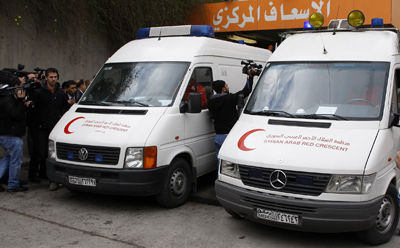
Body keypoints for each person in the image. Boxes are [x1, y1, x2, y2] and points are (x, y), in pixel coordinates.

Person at [29, 68, 71, 190]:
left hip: (53, 126)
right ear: (46, 77)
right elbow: (33, 109)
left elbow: (64, 108)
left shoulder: (60, 93)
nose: (53, 79)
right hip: (40, 127)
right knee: (39, 151)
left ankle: (44, 173)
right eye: (51, 77)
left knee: (49, 153)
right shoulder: (39, 92)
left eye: (55, 77)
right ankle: (32, 174)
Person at [208, 69, 257, 160]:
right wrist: (250, 77)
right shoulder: (229, 99)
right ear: (223, 89)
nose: (228, 87)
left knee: (220, 165)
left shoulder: (211, 102)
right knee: (229, 166)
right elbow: (246, 91)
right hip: (228, 136)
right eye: (226, 86)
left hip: (218, 136)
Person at [0, 76, 29, 192]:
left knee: (8, 157)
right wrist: (21, 102)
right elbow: (16, 114)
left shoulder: (6, 97)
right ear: (15, 87)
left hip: (8, 133)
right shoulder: (7, 99)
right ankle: (13, 184)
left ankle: (12, 182)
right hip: (10, 133)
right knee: (15, 160)